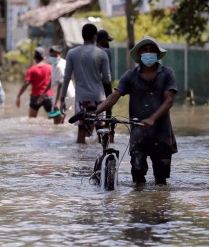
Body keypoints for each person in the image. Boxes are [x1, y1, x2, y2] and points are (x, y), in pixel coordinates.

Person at [92, 36, 178, 186]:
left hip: (162, 134)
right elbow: (113, 97)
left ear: (157, 54)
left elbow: (169, 100)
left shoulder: (167, 74)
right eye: (145, 50)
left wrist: (152, 119)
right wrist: (95, 112)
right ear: (139, 53)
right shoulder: (130, 75)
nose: (148, 53)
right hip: (139, 135)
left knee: (161, 180)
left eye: (152, 50)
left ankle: (160, 207)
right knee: (137, 177)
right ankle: (139, 207)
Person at [60, 23, 111, 143]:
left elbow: (66, 77)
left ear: (82, 36)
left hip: (82, 98)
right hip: (99, 98)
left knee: (81, 134)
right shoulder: (102, 54)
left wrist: (62, 100)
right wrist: (110, 98)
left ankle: (81, 161)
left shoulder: (72, 53)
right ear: (95, 36)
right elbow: (107, 79)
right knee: (101, 133)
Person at [40, 45, 75, 124]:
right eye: (51, 55)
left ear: (60, 55)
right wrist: (44, 93)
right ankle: (61, 130)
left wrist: (57, 102)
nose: (53, 57)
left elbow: (61, 84)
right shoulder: (56, 63)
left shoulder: (60, 66)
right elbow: (52, 80)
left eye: (55, 55)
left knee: (56, 119)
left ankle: (58, 134)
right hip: (63, 95)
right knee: (61, 116)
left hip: (64, 95)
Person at [16, 47, 54, 120]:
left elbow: (26, 83)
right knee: (52, 119)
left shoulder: (32, 69)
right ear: (44, 57)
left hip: (35, 97)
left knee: (31, 120)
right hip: (48, 96)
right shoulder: (50, 68)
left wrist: (19, 96)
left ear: (34, 57)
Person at [96, 29, 114, 120]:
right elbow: (107, 74)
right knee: (106, 113)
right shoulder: (106, 51)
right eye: (107, 40)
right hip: (103, 87)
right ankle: (108, 131)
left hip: (88, 87)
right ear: (103, 40)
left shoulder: (89, 51)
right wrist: (110, 93)